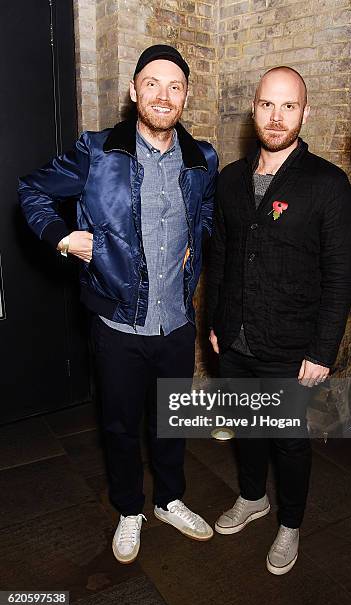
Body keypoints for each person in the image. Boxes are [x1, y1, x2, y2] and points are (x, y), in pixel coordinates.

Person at [19, 44, 218, 564]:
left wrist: (196, 239)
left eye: (175, 86)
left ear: (186, 96)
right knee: (120, 426)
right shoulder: (98, 152)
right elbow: (32, 191)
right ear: (134, 91)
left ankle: (170, 500)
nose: (163, 95)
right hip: (116, 324)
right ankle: (130, 509)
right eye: (152, 83)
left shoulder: (203, 159)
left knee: (173, 421)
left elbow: (207, 210)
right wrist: (64, 237)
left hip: (177, 324)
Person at [207, 66, 351, 575]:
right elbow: (222, 258)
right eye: (268, 105)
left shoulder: (328, 185)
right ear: (254, 111)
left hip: (292, 347)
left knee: (288, 439)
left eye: (288, 105)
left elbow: (339, 277)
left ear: (304, 112)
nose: (277, 116)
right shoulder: (229, 180)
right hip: (235, 340)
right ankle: (253, 499)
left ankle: (290, 523)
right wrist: (215, 322)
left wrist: (323, 351)